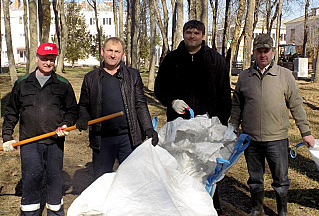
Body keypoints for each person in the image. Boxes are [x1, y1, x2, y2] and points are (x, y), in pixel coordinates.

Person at [229, 34, 315, 216]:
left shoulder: (285, 76)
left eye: (266, 51)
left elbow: (296, 104)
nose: (262, 55)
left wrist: (305, 131)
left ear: (273, 52)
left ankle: (282, 211)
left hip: (277, 139)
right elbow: (237, 104)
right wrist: (234, 127)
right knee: (255, 178)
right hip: (251, 139)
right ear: (253, 53)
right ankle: (257, 208)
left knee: (281, 180)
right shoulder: (245, 76)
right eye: (259, 51)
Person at [154, 20, 231, 216]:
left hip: (208, 125)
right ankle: (178, 205)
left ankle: (213, 205)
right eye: (189, 32)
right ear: (183, 34)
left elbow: (224, 93)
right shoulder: (172, 59)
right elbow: (160, 88)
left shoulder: (215, 60)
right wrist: (171, 101)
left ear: (203, 36)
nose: (192, 36)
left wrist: (222, 123)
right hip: (179, 125)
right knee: (179, 166)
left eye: (196, 33)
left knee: (207, 166)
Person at [1, 43, 77, 216]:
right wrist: (7, 136)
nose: (48, 62)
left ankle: (56, 212)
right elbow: (11, 112)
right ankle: (29, 213)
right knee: (31, 177)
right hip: (29, 142)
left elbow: (72, 110)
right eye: (44, 58)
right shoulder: (22, 83)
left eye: (51, 59)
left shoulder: (63, 84)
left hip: (55, 142)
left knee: (54, 179)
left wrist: (66, 124)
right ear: (36, 58)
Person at [76, 37, 158, 180]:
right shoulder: (91, 78)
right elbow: (83, 105)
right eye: (109, 50)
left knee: (131, 180)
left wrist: (148, 127)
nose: (113, 55)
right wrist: (83, 117)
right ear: (102, 52)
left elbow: (140, 103)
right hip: (102, 138)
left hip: (128, 137)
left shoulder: (132, 75)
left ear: (123, 54)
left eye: (117, 51)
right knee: (101, 181)